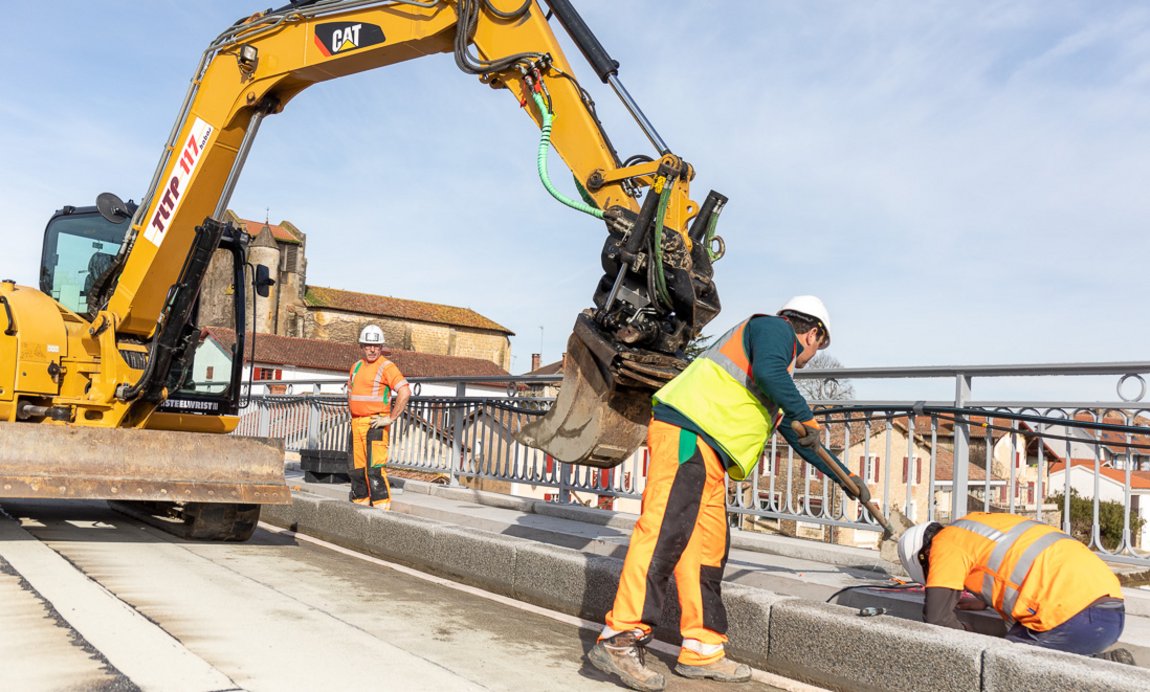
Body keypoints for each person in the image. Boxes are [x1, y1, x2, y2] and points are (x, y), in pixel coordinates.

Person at [589, 296, 866, 691]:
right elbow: (777, 379)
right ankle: (620, 638)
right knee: (663, 534)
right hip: (688, 435)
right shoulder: (773, 330)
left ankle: (702, 649)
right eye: (817, 347)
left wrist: (846, 478)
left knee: (707, 553)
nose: (809, 357)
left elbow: (805, 440)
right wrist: (805, 412)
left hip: (711, 455)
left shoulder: (772, 371)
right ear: (813, 332)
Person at [897, 512, 1133, 664]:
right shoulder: (973, 526)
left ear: (924, 555)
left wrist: (969, 633)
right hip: (1110, 611)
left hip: (1073, 617)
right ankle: (1104, 662)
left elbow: (937, 620)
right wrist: (986, 599)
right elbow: (1012, 561)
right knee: (1019, 646)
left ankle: (1105, 667)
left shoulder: (943, 544)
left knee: (1006, 665)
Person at [346, 324, 410, 510]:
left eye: (376, 346)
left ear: (381, 347)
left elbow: (404, 392)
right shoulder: (356, 367)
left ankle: (381, 509)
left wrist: (390, 418)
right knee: (356, 469)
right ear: (362, 347)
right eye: (368, 345)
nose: (372, 349)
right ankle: (360, 505)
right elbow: (350, 391)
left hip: (375, 423)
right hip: (357, 422)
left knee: (374, 469)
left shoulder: (387, 367)